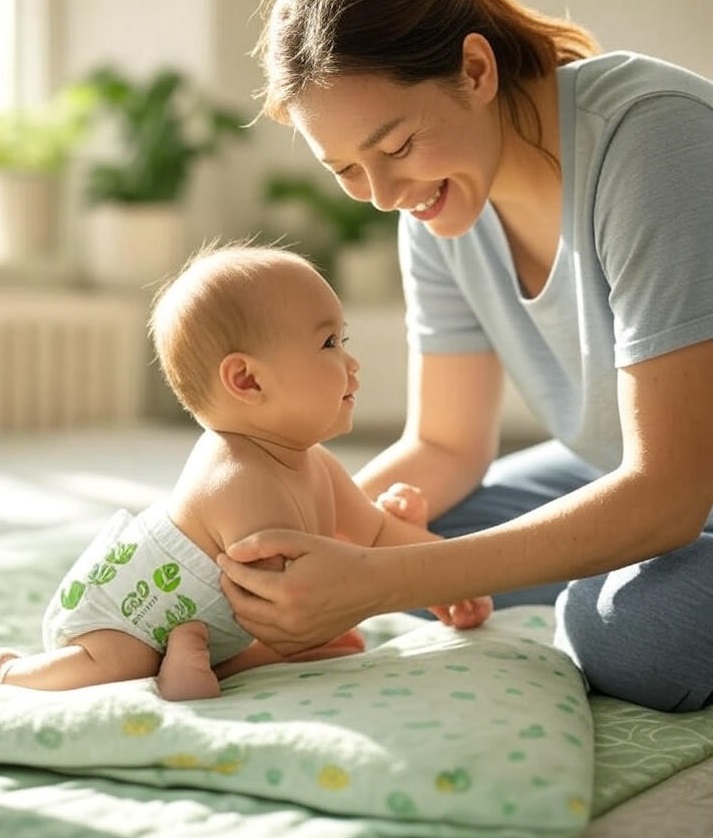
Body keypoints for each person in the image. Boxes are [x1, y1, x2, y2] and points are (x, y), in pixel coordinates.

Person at [217, 0, 713, 713]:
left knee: (626, 632)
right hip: (627, 465)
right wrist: (257, 539)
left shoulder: (652, 141)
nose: (384, 196)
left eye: (395, 147)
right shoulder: (437, 209)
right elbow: (443, 444)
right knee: (411, 539)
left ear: (475, 70)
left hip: (671, 480)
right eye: (348, 169)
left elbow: (667, 492)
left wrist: (376, 580)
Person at [0, 243, 491, 701]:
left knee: (328, 639)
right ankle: (13, 671)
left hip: (223, 624)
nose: (352, 362)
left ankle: (205, 664)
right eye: (329, 343)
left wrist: (443, 572)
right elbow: (288, 605)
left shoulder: (314, 462)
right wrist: (380, 582)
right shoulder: (238, 481)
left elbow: (375, 533)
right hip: (122, 616)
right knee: (120, 663)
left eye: (343, 339)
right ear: (248, 380)